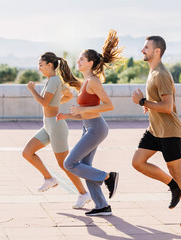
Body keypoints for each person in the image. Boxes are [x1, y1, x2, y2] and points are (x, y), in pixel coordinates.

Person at [131, 36, 181, 227]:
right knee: (138, 162)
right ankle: (174, 186)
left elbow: (167, 106)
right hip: (155, 130)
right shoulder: (153, 72)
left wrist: (143, 102)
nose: (142, 50)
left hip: (169, 131)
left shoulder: (161, 74)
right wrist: (148, 105)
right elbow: (159, 102)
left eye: (146, 47)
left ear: (157, 51)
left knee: (176, 170)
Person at [57, 30, 122, 216]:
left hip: (96, 128)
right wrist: (68, 116)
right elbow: (85, 113)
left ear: (90, 63)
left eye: (81, 60)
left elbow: (109, 106)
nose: (77, 62)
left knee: (70, 163)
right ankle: (102, 206)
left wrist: (82, 110)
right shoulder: (85, 81)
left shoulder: (93, 81)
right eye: (78, 59)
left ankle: (108, 177)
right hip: (89, 128)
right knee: (86, 167)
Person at [23, 52, 91, 209]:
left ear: (50, 65)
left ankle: (83, 193)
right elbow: (68, 94)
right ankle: (49, 179)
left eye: (41, 65)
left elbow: (44, 102)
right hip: (48, 125)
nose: (39, 68)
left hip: (56, 126)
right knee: (27, 152)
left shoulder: (53, 81)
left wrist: (32, 89)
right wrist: (57, 102)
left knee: (65, 164)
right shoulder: (52, 81)